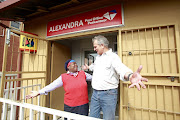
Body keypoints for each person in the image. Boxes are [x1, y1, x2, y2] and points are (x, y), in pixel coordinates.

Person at [82, 35, 148, 120]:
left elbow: (121, 68)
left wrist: (130, 76)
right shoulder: (98, 57)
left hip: (108, 94)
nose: (94, 49)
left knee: (108, 118)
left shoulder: (113, 57)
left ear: (102, 45)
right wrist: (88, 68)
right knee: (92, 117)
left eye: (95, 47)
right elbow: (95, 66)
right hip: (95, 94)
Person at [26, 59, 92, 117]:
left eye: (76, 64)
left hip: (83, 105)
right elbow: (52, 85)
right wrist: (39, 92)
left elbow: (94, 78)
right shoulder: (63, 77)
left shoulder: (83, 73)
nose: (76, 65)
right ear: (68, 67)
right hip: (70, 106)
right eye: (73, 64)